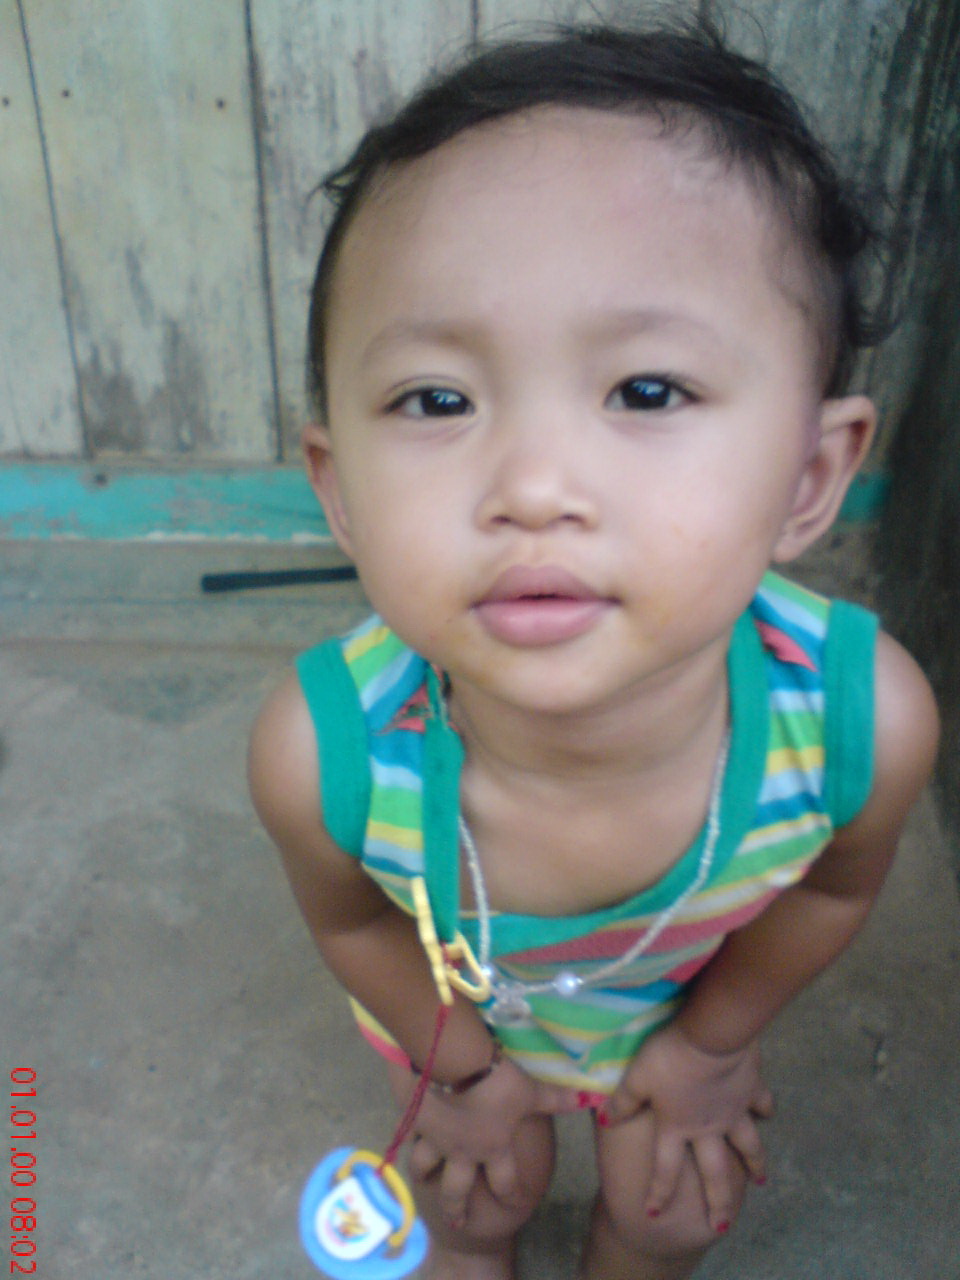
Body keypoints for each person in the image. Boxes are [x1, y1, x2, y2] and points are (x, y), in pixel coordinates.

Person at [248, 20, 939, 1280]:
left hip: (677, 1014)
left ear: (809, 474)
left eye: (647, 390)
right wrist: (462, 1076)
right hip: (458, 1035)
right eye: (438, 399)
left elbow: (833, 889)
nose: (533, 485)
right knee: (472, 1203)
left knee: (666, 1218)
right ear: (339, 490)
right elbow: (352, 920)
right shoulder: (326, 756)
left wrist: (711, 1044)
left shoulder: (857, 727)